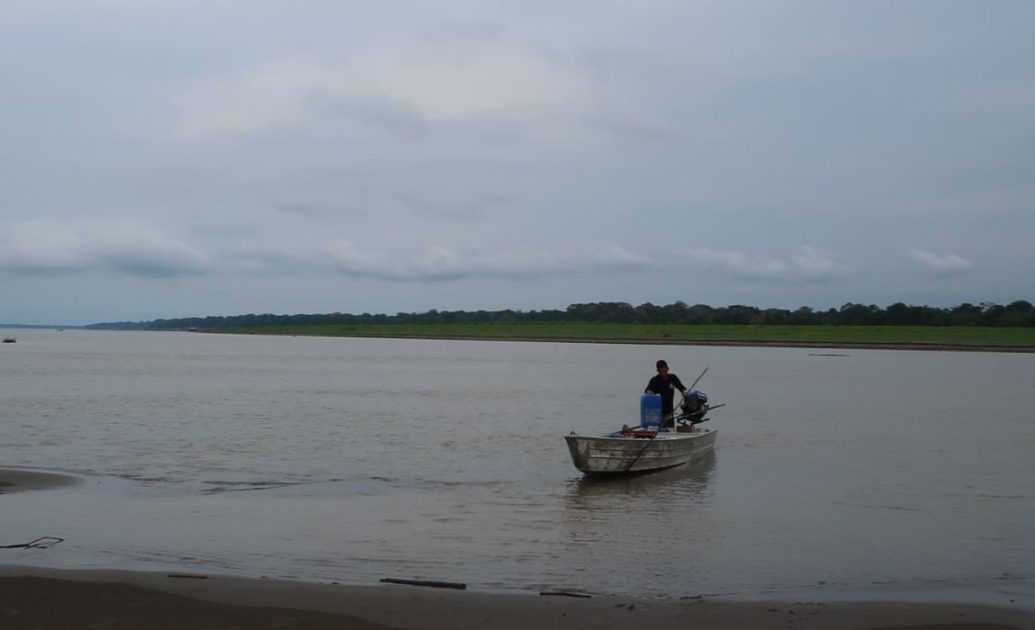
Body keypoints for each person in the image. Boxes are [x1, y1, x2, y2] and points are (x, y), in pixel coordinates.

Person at [644, 359, 688, 428]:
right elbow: (647, 390)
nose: (663, 373)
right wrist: (649, 392)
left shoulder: (673, 378)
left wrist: (684, 392)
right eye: (660, 372)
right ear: (657, 371)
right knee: (661, 429)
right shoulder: (654, 380)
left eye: (664, 371)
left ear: (667, 369)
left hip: (670, 411)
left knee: (670, 428)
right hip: (658, 411)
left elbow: (681, 387)